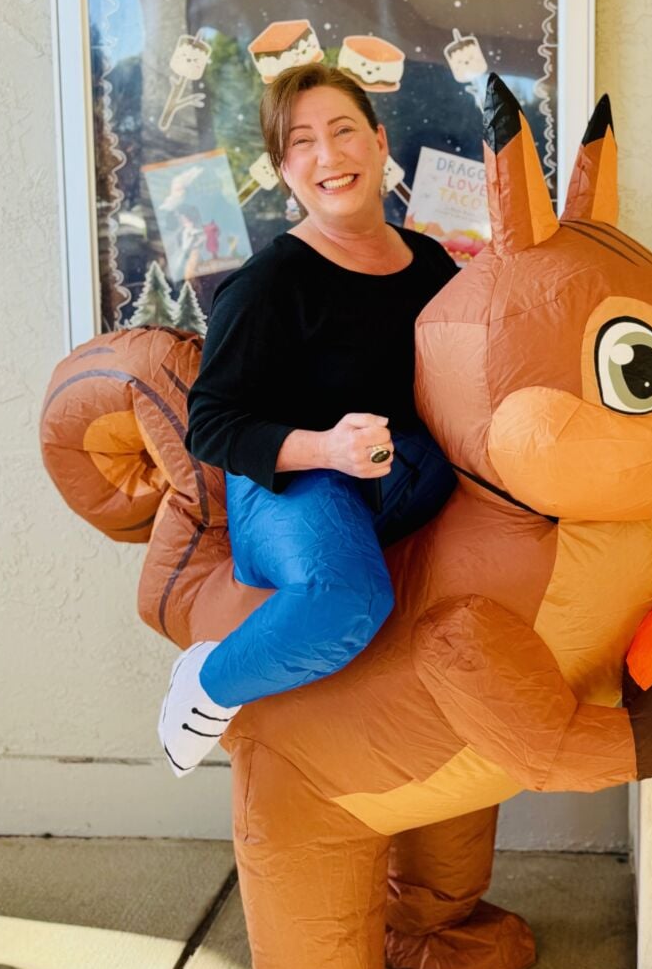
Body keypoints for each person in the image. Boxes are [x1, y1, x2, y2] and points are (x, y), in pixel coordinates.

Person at [159, 63, 458, 775]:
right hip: (290, 483)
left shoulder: (434, 263)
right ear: (283, 169)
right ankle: (208, 683)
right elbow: (213, 424)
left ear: (380, 142)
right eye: (301, 142)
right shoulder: (267, 285)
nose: (328, 155)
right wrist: (324, 447)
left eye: (343, 130)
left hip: (399, 475)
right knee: (349, 595)